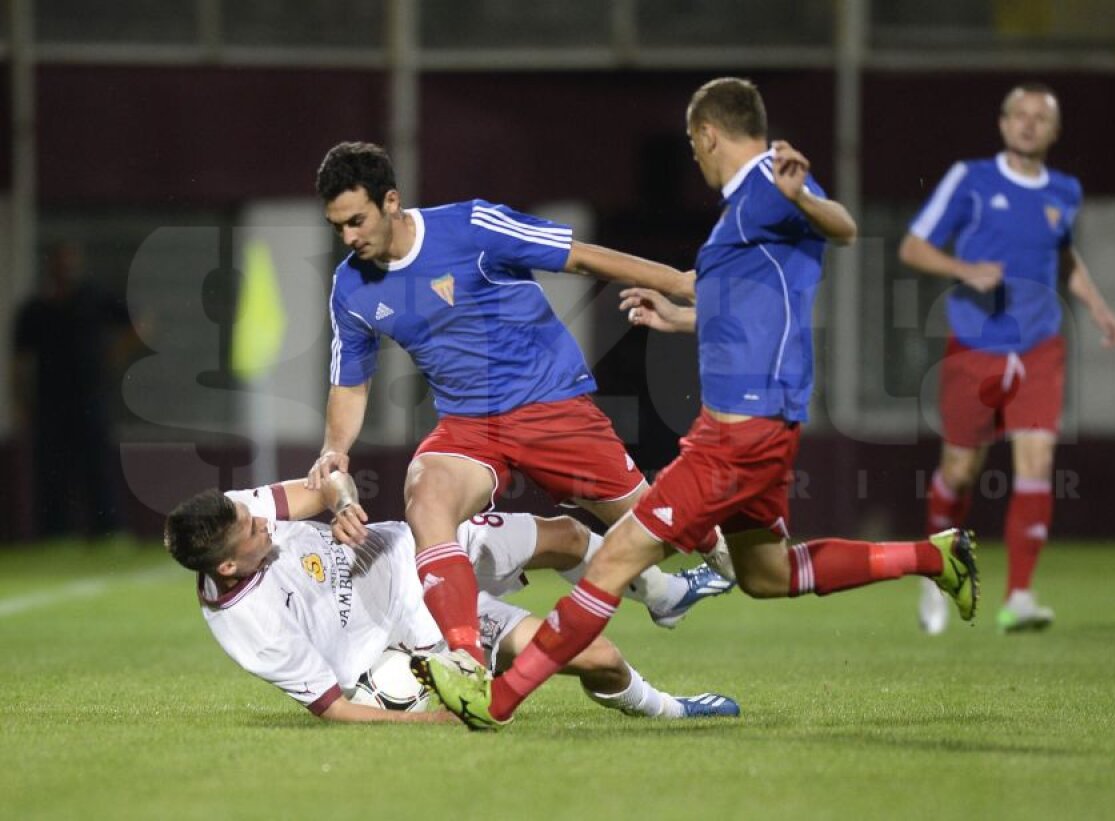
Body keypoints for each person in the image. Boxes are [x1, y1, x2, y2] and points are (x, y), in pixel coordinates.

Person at [414, 77, 981, 731]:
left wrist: (806, 198)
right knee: (768, 573)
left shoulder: (769, 181)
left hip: (734, 440)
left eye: (693, 144)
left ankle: (499, 700)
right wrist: (680, 318)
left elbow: (844, 227)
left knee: (614, 559)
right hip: (760, 431)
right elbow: (751, 304)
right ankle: (936, 555)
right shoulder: (747, 207)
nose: (695, 157)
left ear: (709, 133)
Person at [306, 141, 732, 670]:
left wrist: (681, 283)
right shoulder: (349, 286)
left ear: (390, 201)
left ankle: (716, 562)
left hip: (549, 405)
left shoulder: (472, 226)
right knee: (426, 497)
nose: (348, 237)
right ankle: (464, 659)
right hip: (467, 425)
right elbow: (350, 383)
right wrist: (335, 448)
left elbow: (579, 256)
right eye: (337, 227)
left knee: (661, 526)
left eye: (356, 221)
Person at [163, 470, 740, 723]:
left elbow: (324, 485)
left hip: (414, 549)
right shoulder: (253, 631)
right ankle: (671, 709)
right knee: (601, 660)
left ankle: (663, 595)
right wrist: (430, 723)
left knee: (564, 535)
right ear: (230, 564)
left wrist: (341, 505)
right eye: (252, 529)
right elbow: (333, 709)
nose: (261, 521)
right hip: (417, 638)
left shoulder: (234, 515)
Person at [897, 82, 1115, 635]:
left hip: (1041, 347)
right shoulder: (971, 179)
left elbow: (1063, 254)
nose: (1027, 124)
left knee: (1037, 462)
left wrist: (1095, 304)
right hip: (975, 347)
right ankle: (934, 573)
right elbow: (913, 246)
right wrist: (963, 270)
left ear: (1054, 130)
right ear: (1002, 124)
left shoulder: (1064, 190)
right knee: (961, 470)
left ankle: (1019, 594)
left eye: (1038, 118)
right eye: (1018, 115)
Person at [12, 243, 133, 540]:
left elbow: (137, 324)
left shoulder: (94, 298)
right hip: (50, 400)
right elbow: (19, 360)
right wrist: (20, 400)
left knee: (98, 466)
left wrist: (111, 357)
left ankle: (108, 529)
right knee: (53, 470)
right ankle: (55, 531)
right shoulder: (36, 308)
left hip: (91, 398)